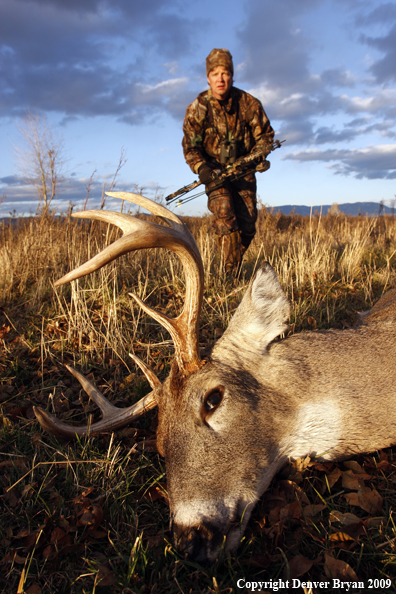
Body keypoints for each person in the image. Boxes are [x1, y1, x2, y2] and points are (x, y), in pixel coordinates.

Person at [182, 48, 274, 275]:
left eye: (225, 73)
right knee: (225, 215)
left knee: (248, 226)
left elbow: (266, 138)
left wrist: (256, 157)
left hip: (243, 172)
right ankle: (228, 276)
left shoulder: (249, 104)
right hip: (214, 173)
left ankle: (230, 264)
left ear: (232, 75)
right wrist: (201, 168)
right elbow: (190, 147)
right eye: (215, 73)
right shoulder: (198, 108)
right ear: (208, 77)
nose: (220, 79)